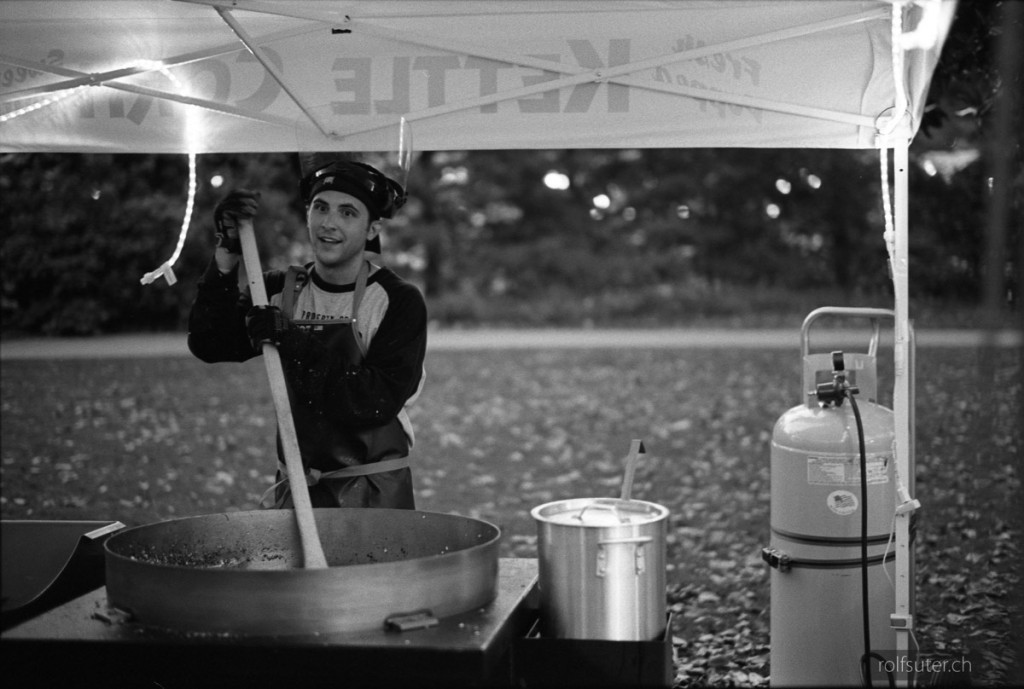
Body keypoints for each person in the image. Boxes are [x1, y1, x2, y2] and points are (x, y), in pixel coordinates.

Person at [187, 158, 427, 510]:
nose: (329, 223)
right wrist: (227, 252)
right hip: (297, 491)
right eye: (320, 207)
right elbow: (209, 342)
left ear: (372, 229)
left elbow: (371, 401)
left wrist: (291, 339)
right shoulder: (279, 291)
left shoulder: (397, 300)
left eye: (348, 213)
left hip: (374, 494)